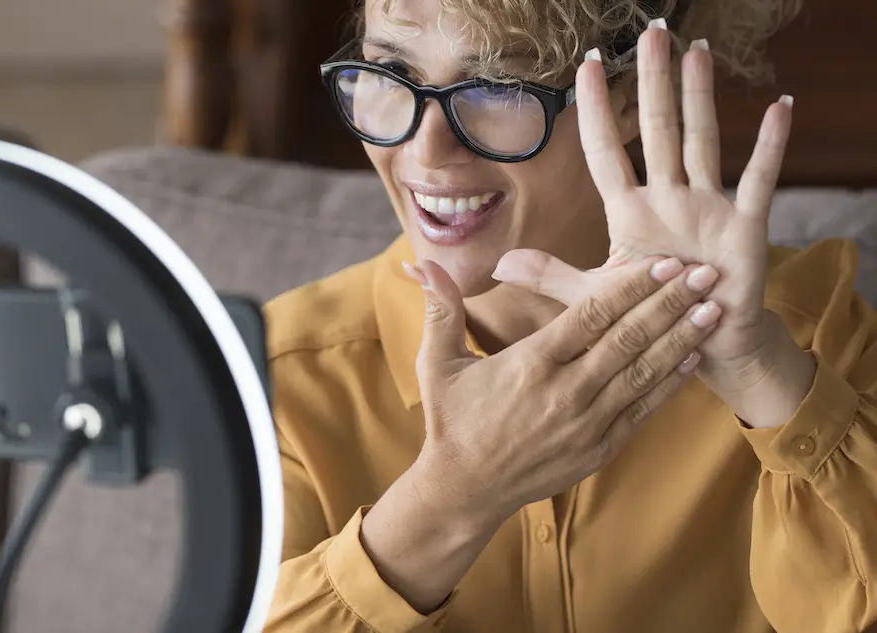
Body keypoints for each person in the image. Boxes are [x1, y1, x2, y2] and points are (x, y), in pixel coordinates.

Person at [261, 0, 877, 631]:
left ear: (630, 96)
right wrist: (454, 494)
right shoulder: (275, 379)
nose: (427, 149)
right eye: (391, 74)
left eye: (498, 85)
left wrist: (758, 377)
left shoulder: (811, 336)